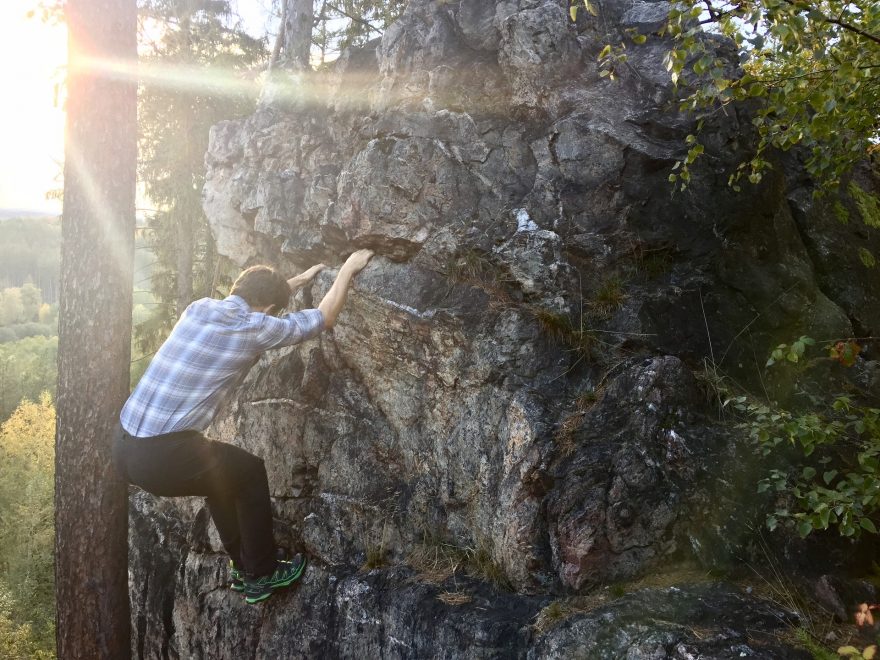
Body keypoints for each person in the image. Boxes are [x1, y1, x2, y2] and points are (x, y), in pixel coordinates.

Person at [113, 249, 374, 604]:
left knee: (219, 476)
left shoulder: (200, 308)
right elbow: (323, 318)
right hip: (162, 455)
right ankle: (262, 574)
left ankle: (244, 565)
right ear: (267, 310)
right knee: (249, 472)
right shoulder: (252, 327)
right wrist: (347, 269)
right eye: (273, 310)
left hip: (124, 446)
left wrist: (297, 281)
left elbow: (256, 298)